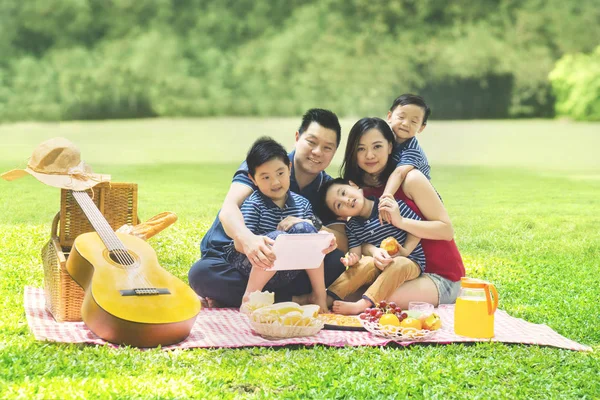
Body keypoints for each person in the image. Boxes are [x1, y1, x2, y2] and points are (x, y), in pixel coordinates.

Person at [188, 109, 347, 307]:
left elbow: (343, 241)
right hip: (235, 258)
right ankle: (290, 299)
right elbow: (229, 209)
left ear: (335, 151)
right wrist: (247, 239)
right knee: (202, 275)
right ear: (297, 138)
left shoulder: (328, 188)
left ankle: (253, 298)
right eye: (312, 142)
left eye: (327, 147)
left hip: (288, 267)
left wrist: (315, 229)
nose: (317, 152)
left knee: (337, 263)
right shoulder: (261, 162)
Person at [341, 116, 465, 308]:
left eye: (377, 146)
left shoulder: (411, 179)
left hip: (440, 277)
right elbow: (358, 237)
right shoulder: (358, 193)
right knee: (344, 293)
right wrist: (373, 252)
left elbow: (446, 230)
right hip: (395, 273)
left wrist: (400, 221)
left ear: (390, 147)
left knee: (374, 299)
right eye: (361, 148)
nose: (369, 155)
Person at [224, 137, 332, 311]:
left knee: (308, 231)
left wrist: (323, 241)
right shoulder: (254, 204)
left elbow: (311, 237)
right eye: (265, 177)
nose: (275, 182)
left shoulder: (302, 204)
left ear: (289, 168)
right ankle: (250, 297)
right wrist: (273, 245)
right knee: (276, 239)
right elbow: (240, 243)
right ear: (253, 179)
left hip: (288, 269)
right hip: (255, 266)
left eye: (280, 173)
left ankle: (319, 295)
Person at [318, 176, 425, 315]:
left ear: (353, 185)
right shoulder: (352, 226)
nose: (346, 200)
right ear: (340, 216)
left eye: (343, 193)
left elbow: (416, 229)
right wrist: (352, 260)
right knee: (365, 262)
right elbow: (355, 253)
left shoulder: (387, 206)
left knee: (399, 262)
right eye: (339, 205)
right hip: (379, 264)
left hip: (410, 261)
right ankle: (328, 298)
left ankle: (363, 305)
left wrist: (405, 251)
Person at [376, 94, 432, 223]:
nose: (406, 123)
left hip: (420, 200)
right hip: (400, 194)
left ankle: (410, 244)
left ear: (421, 127)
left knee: (415, 224)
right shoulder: (386, 140)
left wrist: (386, 197)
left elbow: (399, 173)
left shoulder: (413, 150)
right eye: (401, 117)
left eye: (414, 121)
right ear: (389, 116)